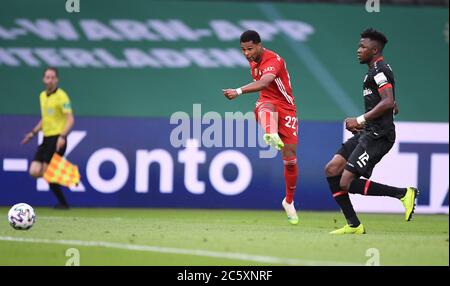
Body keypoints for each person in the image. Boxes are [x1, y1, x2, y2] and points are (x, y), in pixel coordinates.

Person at [324, 28, 418, 234]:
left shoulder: (380, 70)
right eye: (359, 45)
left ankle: (403, 194)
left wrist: (359, 119)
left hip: (379, 136)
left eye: (363, 47)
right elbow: (391, 104)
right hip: (369, 131)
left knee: (346, 182)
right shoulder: (373, 71)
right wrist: (365, 122)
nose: (358, 50)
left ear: (374, 50)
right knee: (332, 169)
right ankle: (354, 225)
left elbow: (388, 102)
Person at [223, 30, 299, 225]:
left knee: (290, 159)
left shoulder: (273, 59)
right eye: (243, 50)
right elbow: (265, 90)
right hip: (268, 101)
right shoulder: (253, 60)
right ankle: (271, 132)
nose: (246, 53)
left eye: (249, 49)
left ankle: (289, 201)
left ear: (259, 45)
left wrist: (238, 91)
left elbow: (265, 82)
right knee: (264, 106)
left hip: (287, 107)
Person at [21, 67, 75, 209]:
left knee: (47, 171)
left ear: (57, 79)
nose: (50, 80)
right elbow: (45, 119)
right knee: (34, 171)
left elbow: (70, 119)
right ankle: (66, 175)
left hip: (57, 138)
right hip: (45, 138)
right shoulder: (42, 96)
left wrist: (63, 136)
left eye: (52, 77)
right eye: (47, 77)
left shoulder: (62, 96)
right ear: (43, 79)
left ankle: (63, 203)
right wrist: (33, 133)